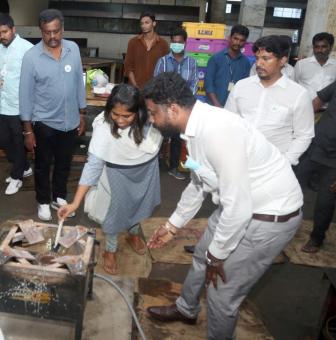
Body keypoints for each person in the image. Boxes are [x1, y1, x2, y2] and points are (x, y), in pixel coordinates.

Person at [143, 73, 303, 339]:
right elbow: (199, 182)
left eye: (152, 113)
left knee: (221, 294)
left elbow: (239, 208)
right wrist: (172, 226)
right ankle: (186, 309)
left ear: (172, 108)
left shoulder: (217, 132)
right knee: (201, 256)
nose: (151, 120)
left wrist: (218, 256)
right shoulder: (193, 128)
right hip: (237, 206)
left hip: (267, 218)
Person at [58, 84, 162, 275]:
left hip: (145, 172)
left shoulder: (150, 121)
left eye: (126, 116)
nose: (120, 120)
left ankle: (133, 233)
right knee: (114, 214)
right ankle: (110, 250)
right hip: (117, 175)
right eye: (115, 114)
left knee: (139, 206)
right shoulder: (103, 128)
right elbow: (93, 166)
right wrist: (75, 203)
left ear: (138, 113)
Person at [20, 9, 86, 221]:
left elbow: (78, 82)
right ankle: (42, 201)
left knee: (64, 163)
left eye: (56, 31)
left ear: (62, 29)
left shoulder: (73, 49)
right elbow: (25, 95)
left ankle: (59, 196)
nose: (52, 37)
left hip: (70, 121)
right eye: (47, 32)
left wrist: (82, 113)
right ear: (41, 31)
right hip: (44, 121)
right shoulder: (31, 57)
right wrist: (27, 130)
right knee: (43, 164)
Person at [225, 35, 314, 166]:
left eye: (266, 58)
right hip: (238, 160)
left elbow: (304, 135)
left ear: (282, 60)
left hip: (273, 166)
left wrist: (286, 161)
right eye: (257, 58)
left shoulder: (298, 94)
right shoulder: (241, 86)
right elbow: (229, 121)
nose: (259, 64)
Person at [0, 14, 34, 195]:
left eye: (5, 31)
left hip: (20, 106)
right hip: (3, 104)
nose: (2, 36)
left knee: (18, 143)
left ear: (13, 29)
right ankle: (24, 166)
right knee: (2, 140)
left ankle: (17, 177)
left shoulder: (28, 49)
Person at [154, 27, 198, 180]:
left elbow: (194, 83)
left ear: (185, 43)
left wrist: (183, 102)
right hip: (164, 106)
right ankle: (155, 166)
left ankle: (173, 167)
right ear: (171, 42)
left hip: (182, 108)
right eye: (174, 42)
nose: (177, 44)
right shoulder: (163, 61)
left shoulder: (191, 62)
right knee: (159, 136)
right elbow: (157, 82)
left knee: (178, 139)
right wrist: (165, 102)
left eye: (180, 42)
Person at [297, 80, 336, 253]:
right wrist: (302, 123)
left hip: (334, 163)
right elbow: (318, 100)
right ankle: (280, 224)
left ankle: (316, 238)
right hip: (314, 147)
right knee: (291, 186)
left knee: (325, 202)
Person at [205, 24, 251, 107]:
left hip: (234, 109)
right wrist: (217, 105)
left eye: (242, 40)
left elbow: (245, 87)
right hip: (213, 107)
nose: (238, 43)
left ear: (245, 43)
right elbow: (209, 85)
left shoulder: (246, 62)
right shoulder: (215, 58)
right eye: (235, 38)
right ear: (230, 38)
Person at [124, 11, 169, 89]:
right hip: (135, 89)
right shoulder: (133, 42)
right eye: (142, 23)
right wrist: (135, 86)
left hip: (155, 90)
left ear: (154, 23)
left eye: (147, 22)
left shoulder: (163, 44)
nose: (144, 25)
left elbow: (166, 69)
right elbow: (128, 67)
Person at [295, 32, 336, 100]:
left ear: (331, 47)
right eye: (316, 47)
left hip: (327, 110)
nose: (319, 50)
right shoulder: (301, 64)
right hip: (304, 107)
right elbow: (293, 85)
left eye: (324, 47)